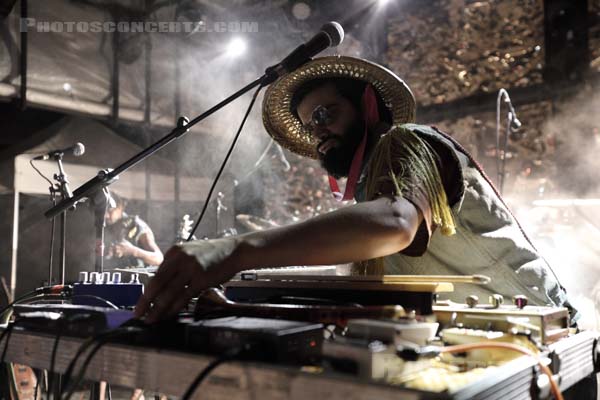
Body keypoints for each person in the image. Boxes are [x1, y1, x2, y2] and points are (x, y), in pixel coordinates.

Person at [135, 56, 576, 325]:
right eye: (311, 125)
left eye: (326, 114)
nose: (318, 131)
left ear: (367, 104)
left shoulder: (408, 140)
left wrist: (235, 251)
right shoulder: (369, 188)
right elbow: (355, 274)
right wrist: (241, 287)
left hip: (538, 333)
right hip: (478, 337)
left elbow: (396, 223)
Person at [104, 193, 164, 269]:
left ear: (120, 207)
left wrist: (132, 251)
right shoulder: (102, 225)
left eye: (110, 211)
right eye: (103, 211)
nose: (106, 215)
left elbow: (158, 258)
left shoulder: (136, 226)